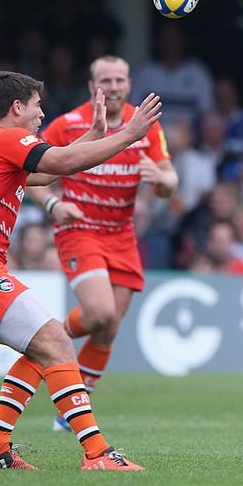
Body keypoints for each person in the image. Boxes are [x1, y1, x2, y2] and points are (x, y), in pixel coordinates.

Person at [0, 71, 162, 469]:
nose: (42, 114)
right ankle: (98, 454)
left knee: (43, 348)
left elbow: (49, 171)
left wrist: (93, 134)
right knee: (56, 342)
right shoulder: (6, 139)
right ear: (16, 107)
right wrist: (130, 134)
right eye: (38, 106)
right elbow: (59, 160)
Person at [27, 56, 178, 433]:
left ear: (129, 83)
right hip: (81, 229)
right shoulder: (67, 125)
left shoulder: (143, 123)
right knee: (98, 313)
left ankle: (71, 409)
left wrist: (160, 179)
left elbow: (170, 185)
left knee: (108, 328)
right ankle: (48, 337)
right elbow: (29, 175)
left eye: (120, 79)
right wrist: (53, 203)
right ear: (92, 83)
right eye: (106, 80)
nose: (113, 86)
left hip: (122, 234)